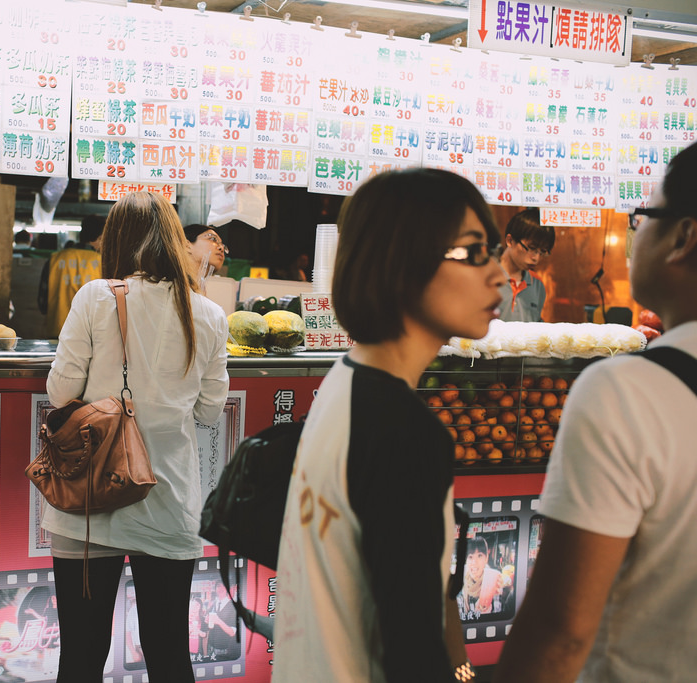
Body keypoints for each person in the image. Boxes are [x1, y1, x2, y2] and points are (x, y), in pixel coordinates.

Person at [272, 168, 505, 683]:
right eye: (472, 252)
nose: (498, 275)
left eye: (493, 252)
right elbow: (412, 649)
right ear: (403, 264)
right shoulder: (403, 430)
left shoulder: (348, 379)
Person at [493, 141, 697, 683]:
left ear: (684, 237)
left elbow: (560, 631)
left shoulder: (625, 391)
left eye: (641, 217)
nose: (632, 235)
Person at [43, 191, 230, 683]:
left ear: (117, 242)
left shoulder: (96, 297)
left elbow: (61, 392)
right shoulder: (209, 315)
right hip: (167, 501)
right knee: (169, 654)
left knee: (81, 657)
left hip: (89, 505)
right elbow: (209, 411)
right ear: (174, 240)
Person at [37, 214, 105, 338]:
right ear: (101, 237)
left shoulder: (55, 259)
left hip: (57, 333)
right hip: (90, 335)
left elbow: (42, 304)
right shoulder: (103, 263)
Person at [497, 208, 554, 321]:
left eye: (542, 252)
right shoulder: (486, 277)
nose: (536, 258)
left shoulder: (537, 285)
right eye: (532, 248)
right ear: (510, 241)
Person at [457, 536, 504, 620]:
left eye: (479, 556)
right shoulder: (460, 583)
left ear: (486, 558)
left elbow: (498, 618)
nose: (474, 562)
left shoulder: (494, 582)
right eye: (470, 557)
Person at [182, 223, 228, 287]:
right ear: (187, 245)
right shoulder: (170, 288)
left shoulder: (217, 289)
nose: (221, 248)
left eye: (223, 246)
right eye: (213, 239)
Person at [205, 582, 242, 661]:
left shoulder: (233, 606)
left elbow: (232, 632)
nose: (220, 588)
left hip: (223, 648)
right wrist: (206, 621)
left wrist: (219, 621)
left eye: (224, 586)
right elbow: (208, 625)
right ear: (215, 589)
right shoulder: (213, 604)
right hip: (210, 645)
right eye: (218, 586)